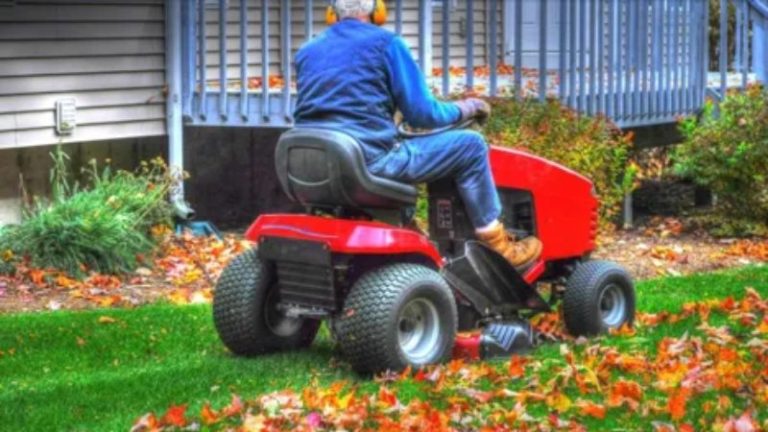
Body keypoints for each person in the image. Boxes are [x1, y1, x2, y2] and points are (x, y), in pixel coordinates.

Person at [293, 0, 542, 269]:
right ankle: (498, 246)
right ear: (377, 11)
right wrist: (468, 107)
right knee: (470, 145)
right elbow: (423, 114)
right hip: (368, 160)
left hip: (309, 163)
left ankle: (411, 237)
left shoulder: (307, 51)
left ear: (332, 14)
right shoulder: (386, 44)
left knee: (396, 144)